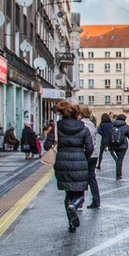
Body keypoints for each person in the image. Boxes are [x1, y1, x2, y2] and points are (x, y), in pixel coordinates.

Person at [53, 100, 94, 233]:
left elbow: (48, 145)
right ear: (77, 114)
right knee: (80, 193)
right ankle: (75, 206)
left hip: (62, 162)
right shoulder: (83, 128)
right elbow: (89, 147)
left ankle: (71, 223)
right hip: (80, 160)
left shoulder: (57, 127)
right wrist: (84, 157)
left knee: (68, 193)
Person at [78, 106, 101, 208]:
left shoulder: (81, 125)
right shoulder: (92, 124)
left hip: (85, 154)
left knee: (81, 178)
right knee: (92, 178)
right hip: (94, 154)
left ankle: (79, 202)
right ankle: (96, 200)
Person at [107, 114, 129, 180]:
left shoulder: (112, 125)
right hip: (123, 146)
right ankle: (118, 174)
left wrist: (109, 145)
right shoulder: (126, 126)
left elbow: (109, 135)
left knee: (118, 159)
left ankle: (119, 172)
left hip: (114, 145)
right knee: (120, 159)